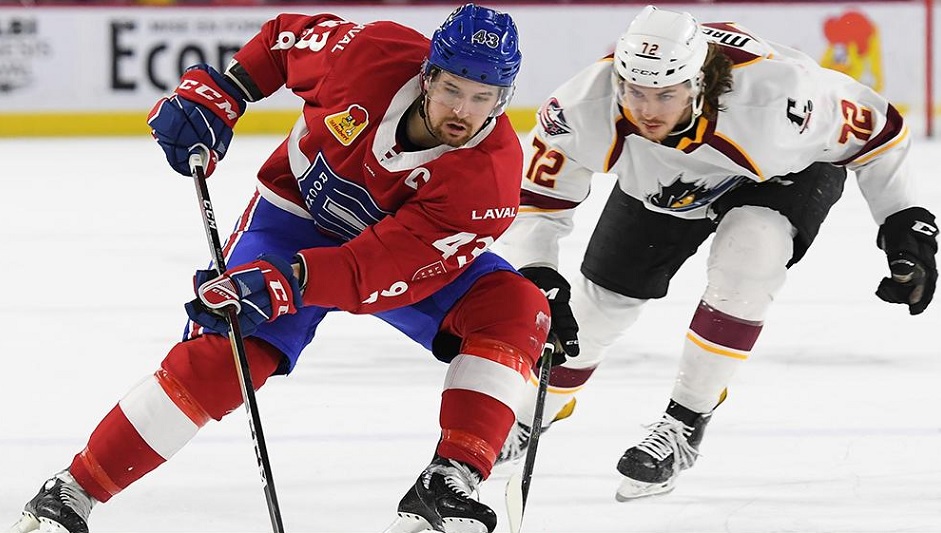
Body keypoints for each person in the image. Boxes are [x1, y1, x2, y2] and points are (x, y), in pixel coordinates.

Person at [7, 5, 551, 533]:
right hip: (294, 217)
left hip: (384, 258)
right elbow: (282, 41)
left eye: (482, 97)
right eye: (452, 89)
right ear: (428, 75)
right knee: (227, 355)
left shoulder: (489, 180)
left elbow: (374, 269)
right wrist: (227, 91)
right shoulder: (370, 54)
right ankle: (71, 492)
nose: (462, 111)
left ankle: (448, 480)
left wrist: (287, 283)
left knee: (514, 308)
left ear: (503, 99)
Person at [493, 5, 938, 501]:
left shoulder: (780, 100)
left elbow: (879, 128)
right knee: (597, 310)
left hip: (782, 175)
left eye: (666, 94)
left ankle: (685, 421)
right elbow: (537, 203)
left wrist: (903, 218)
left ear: (699, 82)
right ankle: (532, 413)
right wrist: (537, 270)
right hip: (665, 182)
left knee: (750, 253)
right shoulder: (580, 106)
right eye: (635, 92)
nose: (647, 110)